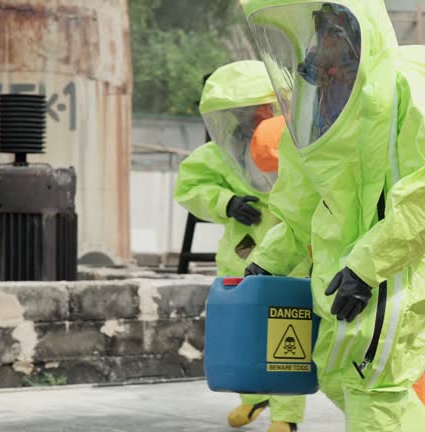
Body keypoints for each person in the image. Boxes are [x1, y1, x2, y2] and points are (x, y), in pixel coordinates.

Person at [240, 1, 425, 430]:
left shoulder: (406, 88)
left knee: (373, 385)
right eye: (319, 30)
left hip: (404, 259)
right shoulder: (321, 97)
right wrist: (271, 257)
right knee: (337, 374)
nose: (320, 43)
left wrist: (370, 267)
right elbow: (302, 192)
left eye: (332, 30)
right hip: (347, 263)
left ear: (355, 31)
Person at [173, 60, 306, 432]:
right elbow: (189, 188)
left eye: (261, 108)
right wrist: (226, 203)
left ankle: (286, 417)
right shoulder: (220, 153)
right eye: (245, 111)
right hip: (242, 253)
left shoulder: (295, 141)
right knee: (241, 331)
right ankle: (254, 399)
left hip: (289, 251)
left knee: (285, 337)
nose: (254, 116)